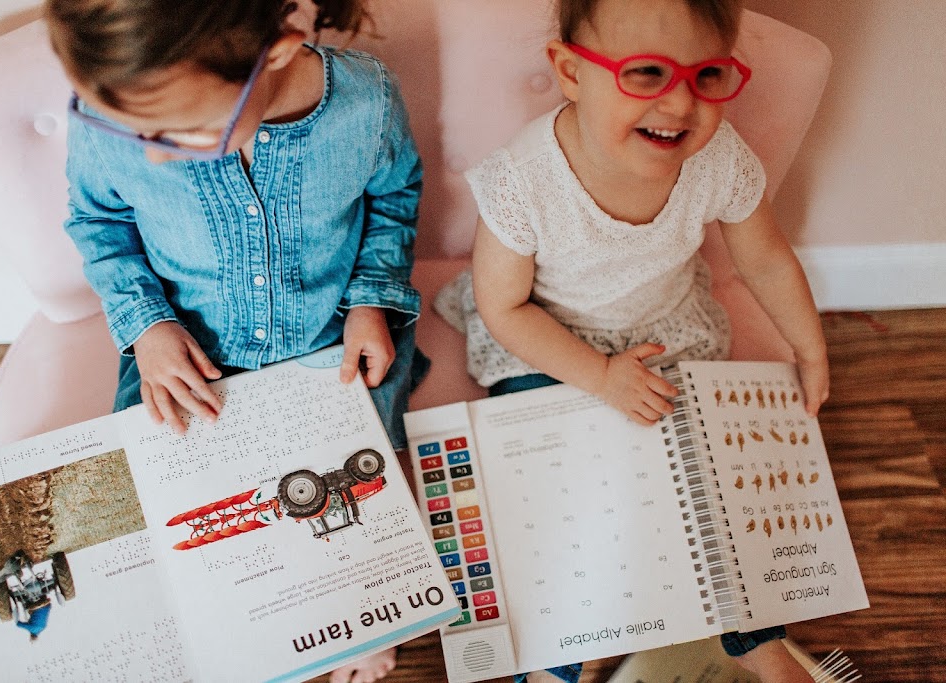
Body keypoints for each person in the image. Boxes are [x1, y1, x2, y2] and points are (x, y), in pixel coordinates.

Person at [435, 0, 827, 681]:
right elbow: (505, 308)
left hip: (667, 329)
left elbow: (764, 257)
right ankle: (561, 654)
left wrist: (810, 346)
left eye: (707, 76)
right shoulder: (523, 179)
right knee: (565, 499)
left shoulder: (717, 157)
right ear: (570, 71)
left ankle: (756, 636)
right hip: (552, 337)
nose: (680, 103)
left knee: (712, 480)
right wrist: (598, 375)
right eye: (646, 72)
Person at [45, 1, 424, 680]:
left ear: (278, 48)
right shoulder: (107, 113)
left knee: (358, 498)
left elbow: (394, 200)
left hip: (330, 341)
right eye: (138, 134)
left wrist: (372, 298)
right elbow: (98, 223)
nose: (154, 152)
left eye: (186, 132)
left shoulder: (367, 99)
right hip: (184, 350)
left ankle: (356, 617)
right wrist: (147, 325)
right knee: (156, 521)